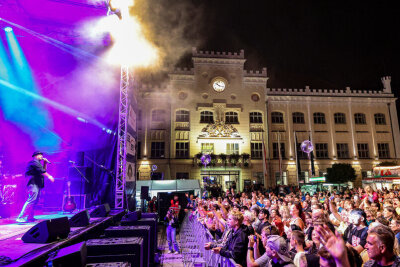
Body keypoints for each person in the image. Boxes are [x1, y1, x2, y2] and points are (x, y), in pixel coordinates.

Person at [16, 151, 54, 223]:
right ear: (35, 156)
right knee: (31, 200)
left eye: (42, 155)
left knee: (35, 200)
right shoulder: (34, 162)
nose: (42, 156)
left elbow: (43, 171)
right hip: (32, 183)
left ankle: (30, 217)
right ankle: (20, 217)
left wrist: (45, 163)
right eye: (40, 155)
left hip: (37, 183)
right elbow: (43, 172)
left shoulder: (38, 163)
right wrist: (49, 176)